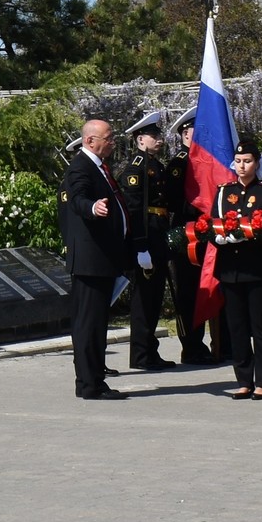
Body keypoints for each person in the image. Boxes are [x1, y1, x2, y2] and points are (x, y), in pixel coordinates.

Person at [63, 119, 130, 400]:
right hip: (91, 260)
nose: (113, 142)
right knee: (89, 323)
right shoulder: (81, 166)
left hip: (102, 258)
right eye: (108, 137)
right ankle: (90, 384)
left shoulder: (99, 166)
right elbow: (77, 198)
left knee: (97, 322)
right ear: (90, 141)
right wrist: (92, 206)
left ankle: (93, 380)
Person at [213, 138, 262, 400]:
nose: (242, 166)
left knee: (261, 326)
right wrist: (218, 236)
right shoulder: (223, 191)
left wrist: (251, 235)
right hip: (230, 268)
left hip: (257, 268)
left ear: (257, 163)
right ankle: (244, 380)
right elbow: (213, 223)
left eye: (248, 162)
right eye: (239, 162)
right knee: (237, 327)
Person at [116, 111, 177, 372]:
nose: (159, 140)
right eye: (154, 136)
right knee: (144, 299)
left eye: (159, 135)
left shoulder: (155, 165)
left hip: (158, 233)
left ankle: (150, 350)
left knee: (153, 298)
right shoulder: (136, 169)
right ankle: (141, 354)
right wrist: (140, 246)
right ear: (141, 140)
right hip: (147, 237)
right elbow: (134, 211)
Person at [164, 108, 217, 366]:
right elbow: (173, 200)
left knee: (204, 288)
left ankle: (205, 342)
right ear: (186, 134)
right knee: (187, 292)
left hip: (204, 231)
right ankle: (190, 345)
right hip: (186, 234)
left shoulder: (204, 161)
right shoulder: (180, 163)